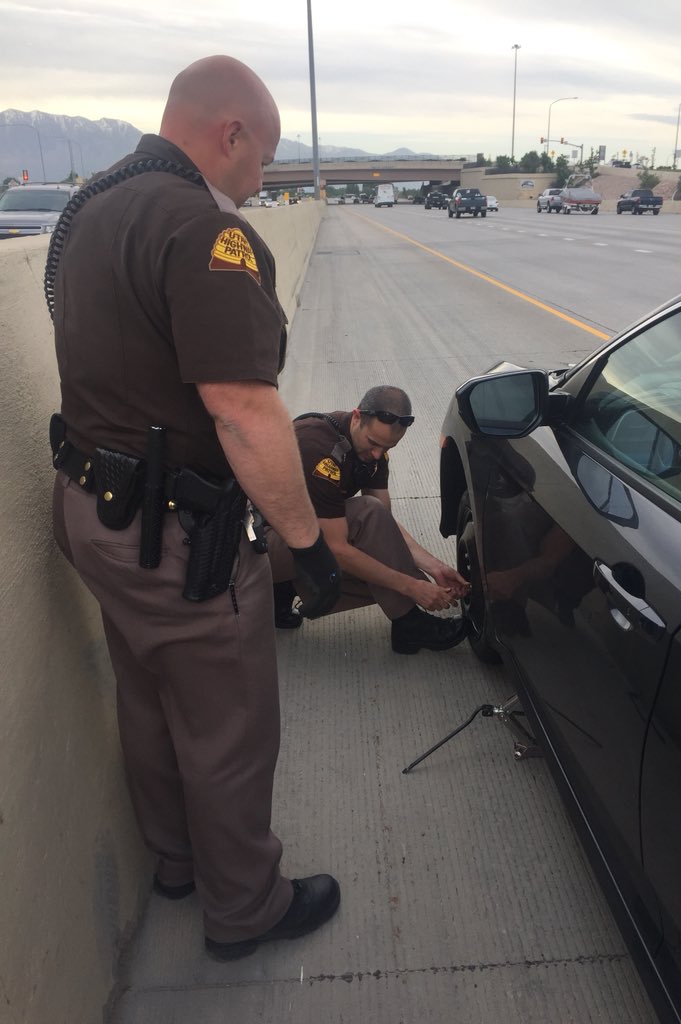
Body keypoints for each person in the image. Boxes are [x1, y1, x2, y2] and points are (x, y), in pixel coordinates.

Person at [48, 55, 342, 962]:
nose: (261, 186)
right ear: (232, 134)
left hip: (93, 510)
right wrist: (309, 544)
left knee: (148, 697)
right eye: (263, 161)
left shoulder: (90, 207)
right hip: (174, 538)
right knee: (229, 725)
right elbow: (244, 410)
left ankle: (175, 863)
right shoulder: (205, 231)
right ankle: (244, 907)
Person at [268, 386, 471, 654]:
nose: (378, 454)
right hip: (253, 551)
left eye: (388, 447)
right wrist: (412, 586)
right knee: (383, 546)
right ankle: (409, 624)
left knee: (388, 553)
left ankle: (281, 593)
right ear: (356, 417)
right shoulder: (319, 449)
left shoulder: (371, 452)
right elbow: (339, 548)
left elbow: (382, 527)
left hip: (294, 543)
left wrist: (434, 568)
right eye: (374, 443)